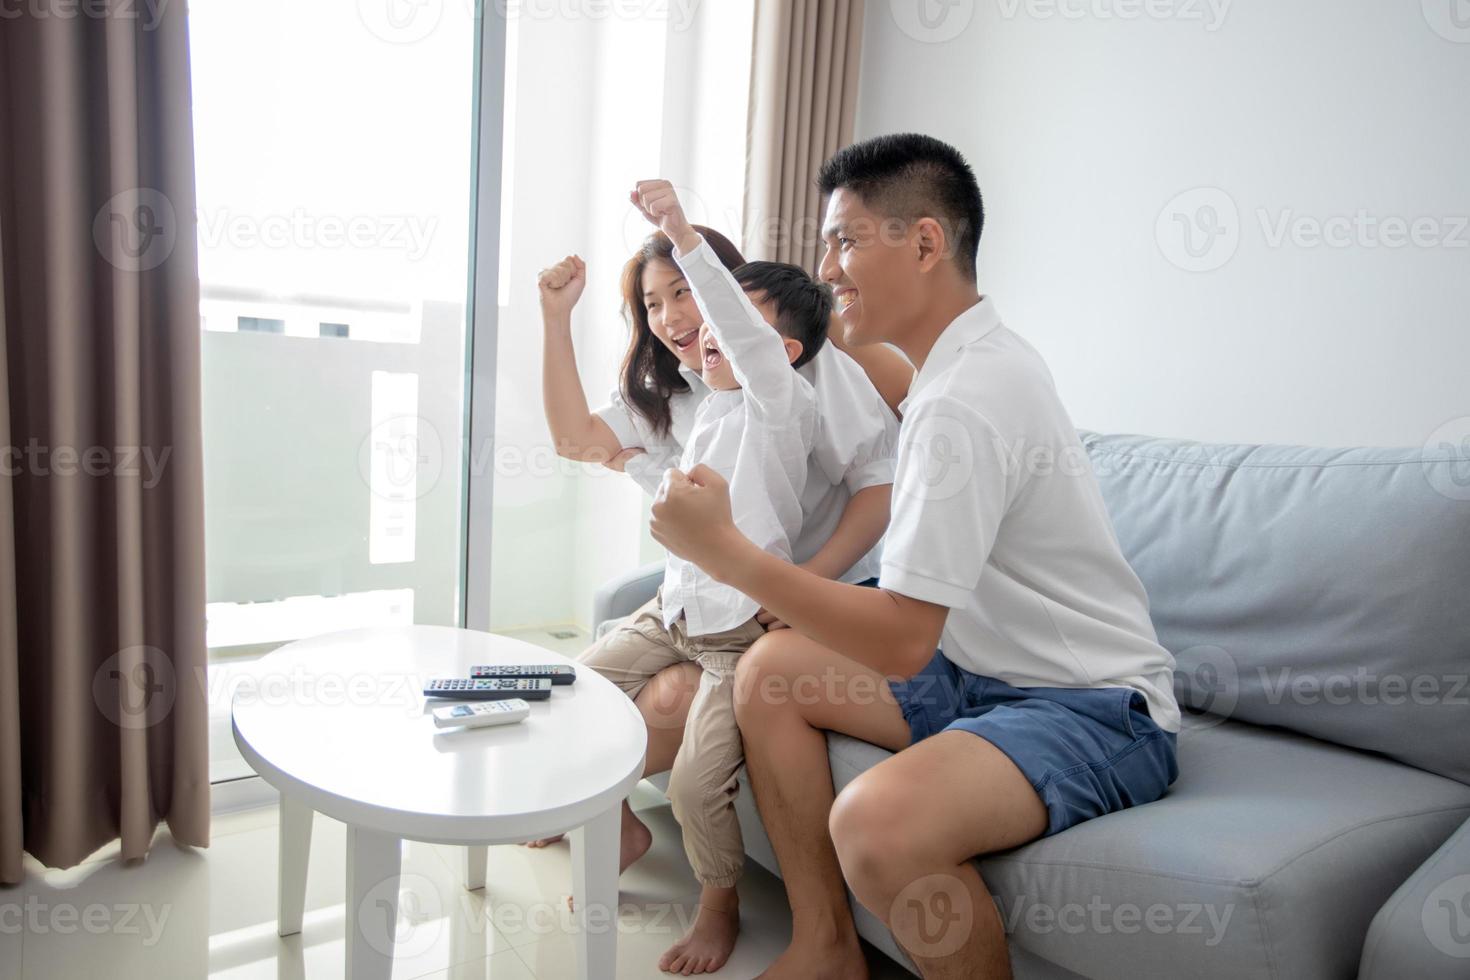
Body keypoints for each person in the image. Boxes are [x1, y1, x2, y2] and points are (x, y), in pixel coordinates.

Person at [647, 134, 1182, 980]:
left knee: (877, 823)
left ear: (925, 244)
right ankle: (827, 945)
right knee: (770, 670)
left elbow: (901, 639)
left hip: (1090, 705)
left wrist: (730, 554)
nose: (827, 269)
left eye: (846, 241)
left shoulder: (969, 395)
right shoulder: (946, 373)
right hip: (977, 671)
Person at [567, 178, 850, 974]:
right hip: (676, 615)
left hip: (734, 639)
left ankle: (717, 907)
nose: (706, 335)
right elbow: (660, 486)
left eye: (730, 322)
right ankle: (612, 822)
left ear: (783, 353)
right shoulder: (703, 409)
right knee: (576, 688)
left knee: (695, 786)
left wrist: (679, 228)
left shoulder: (779, 403)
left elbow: (750, 344)